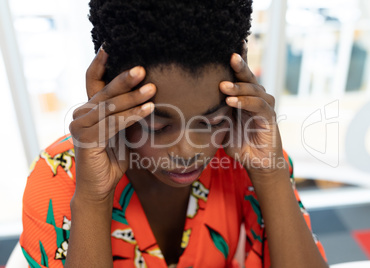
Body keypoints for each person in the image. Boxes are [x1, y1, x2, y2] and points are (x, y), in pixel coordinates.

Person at [20, 0, 328, 267]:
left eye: (212, 122)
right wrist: (92, 198)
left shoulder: (249, 153)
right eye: (157, 126)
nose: (187, 152)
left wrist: (270, 176)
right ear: (108, 91)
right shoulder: (59, 178)